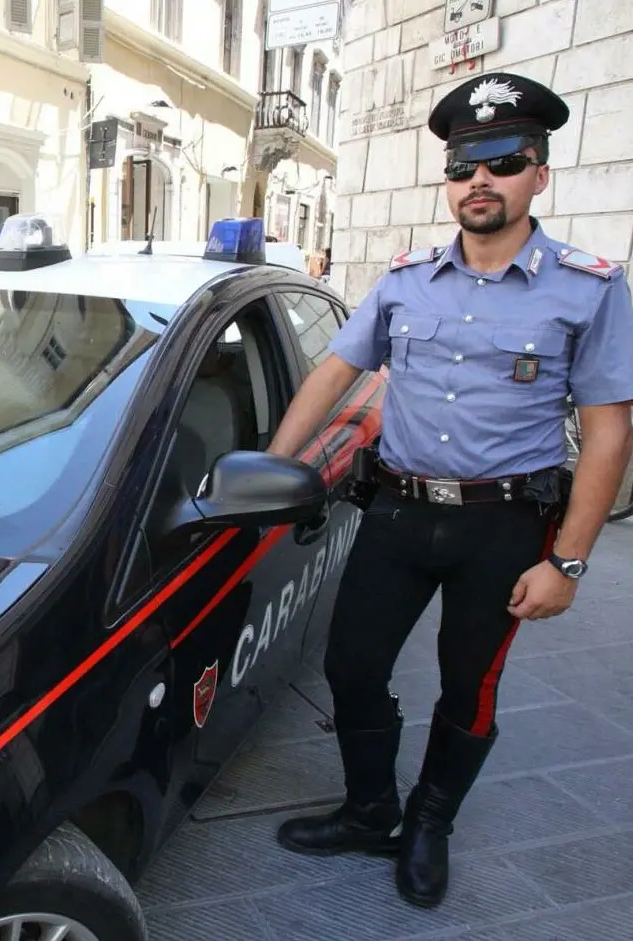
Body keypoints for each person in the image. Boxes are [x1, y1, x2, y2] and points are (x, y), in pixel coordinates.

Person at [267, 72, 633, 909]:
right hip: (396, 511)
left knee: (469, 686)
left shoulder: (590, 286)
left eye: (504, 161)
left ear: (539, 173)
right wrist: (274, 468)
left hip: (504, 528)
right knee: (352, 666)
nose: (481, 179)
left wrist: (567, 565)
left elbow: (610, 432)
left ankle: (430, 824)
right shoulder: (405, 280)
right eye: (465, 163)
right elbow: (332, 372)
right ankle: (369, 811)